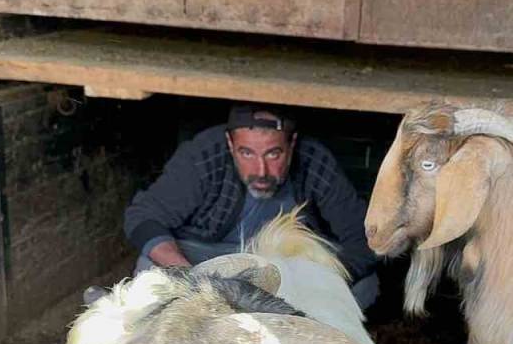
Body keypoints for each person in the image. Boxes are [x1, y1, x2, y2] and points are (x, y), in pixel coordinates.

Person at [119, 103, 380, 309]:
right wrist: (189, 276)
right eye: (247, 153)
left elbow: (363, 238)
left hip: (289, 267)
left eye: (273, 154)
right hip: (210, 259)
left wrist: (316, 280)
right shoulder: (204, 154)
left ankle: (296, 335)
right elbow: (143, 216)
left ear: (292, 144)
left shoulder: (314, 161)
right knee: (149, 266)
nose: (261, 170)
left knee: (366, 286)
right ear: (230, 144)